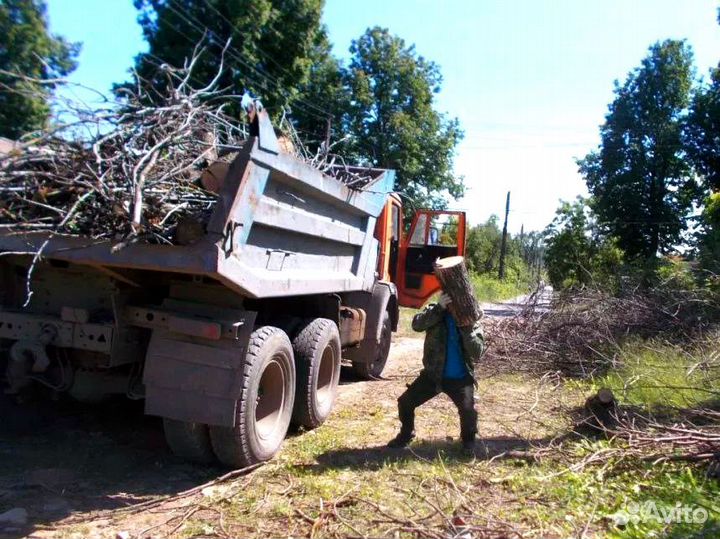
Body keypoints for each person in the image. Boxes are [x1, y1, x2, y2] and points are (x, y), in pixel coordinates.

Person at [388, 291, 484, 452]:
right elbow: (417, 325)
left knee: (468, 410)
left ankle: (468, 441)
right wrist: (439, 308)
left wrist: (468, 326)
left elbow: (477, 352)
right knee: (405, 402)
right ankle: (406, 434)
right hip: (433, 375)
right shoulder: (435, 310)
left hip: (460, 378)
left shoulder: (470, 318)